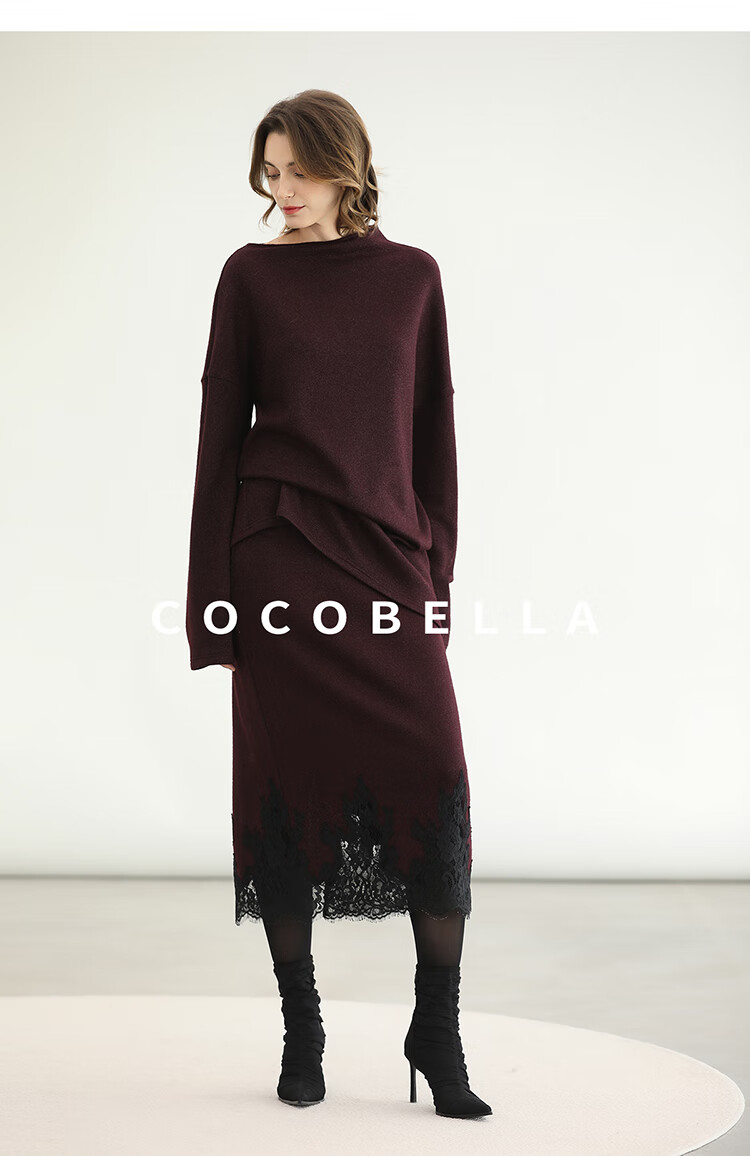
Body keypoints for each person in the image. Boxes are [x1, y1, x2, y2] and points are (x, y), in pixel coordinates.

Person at [185, 88, 492, 1120]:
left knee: (435, 775)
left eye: (300, 171)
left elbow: (433, 430)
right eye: (269, 172)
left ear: (346, 167)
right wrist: (213, 602)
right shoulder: (250, 276)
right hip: (276, 558)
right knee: (286, 790)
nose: (284, 191)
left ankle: (436, 1030)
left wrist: (436, 575)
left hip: (388, 561)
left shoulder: (413, 277)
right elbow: (218, 437)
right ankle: (302, 1029)